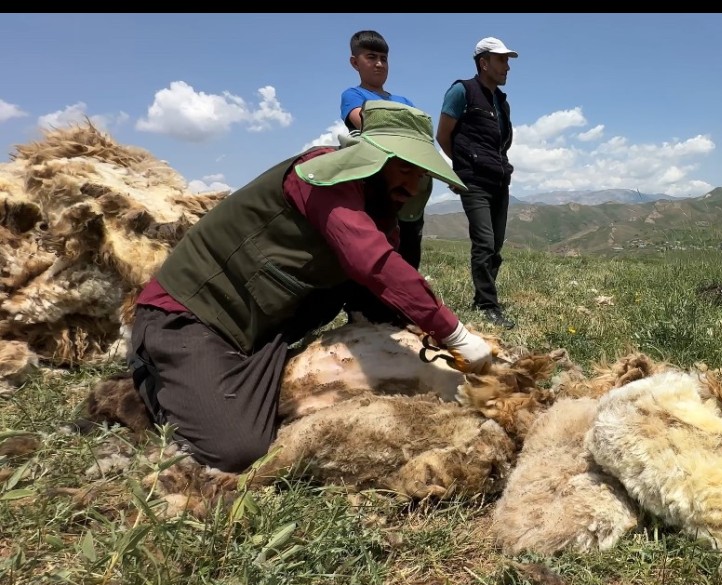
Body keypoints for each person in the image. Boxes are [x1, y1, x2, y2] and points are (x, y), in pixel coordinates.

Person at [127, 100, 495, 474]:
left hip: (259, 333)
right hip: (189, 317)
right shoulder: (322, 179)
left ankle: (237, 377)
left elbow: (381, 286)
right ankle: (152, 379)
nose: (412, 185)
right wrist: (454, 334)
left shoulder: (378, 209)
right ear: (373, 160)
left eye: (419, 174)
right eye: (403, 169)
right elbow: (372, 262)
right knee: (237, 448)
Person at [436, 36, 519, 330]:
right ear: (484, 63)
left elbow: (501, 143)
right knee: (483, 242)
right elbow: (443, 135)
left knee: (495, 245)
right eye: (501, 60)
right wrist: (462, 167)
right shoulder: (462, 91)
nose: (507, 66)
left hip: (499, 179)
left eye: (507, 60)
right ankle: (488, 305)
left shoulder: (501, 102)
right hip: (473, 182)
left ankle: (482, 297)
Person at [339, 29, 431, 270]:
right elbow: (366, 123)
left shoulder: (404, 101)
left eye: (384, 58)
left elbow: (423, 136)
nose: (379, 64)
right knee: (377, 243)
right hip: (376, 183)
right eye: (371, 57)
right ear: (354, 62)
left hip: (409, 182)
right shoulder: (353, 95)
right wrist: (406, 129)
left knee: (410, 244)